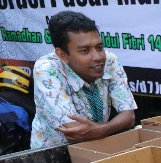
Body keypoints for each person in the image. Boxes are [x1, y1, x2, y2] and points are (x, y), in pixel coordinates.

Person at [30, 11, 137, 148]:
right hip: (53, 156)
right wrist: (110, 127)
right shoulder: (47, 68)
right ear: (62, 55)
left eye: (99, 47)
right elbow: (75, 131)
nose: (98, 57)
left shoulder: (110, 60)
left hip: (99, 147)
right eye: (85, 51)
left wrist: (100, 130)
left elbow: (129, 116)